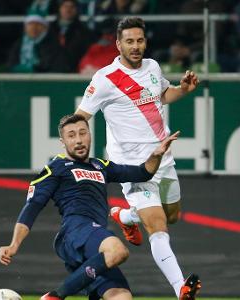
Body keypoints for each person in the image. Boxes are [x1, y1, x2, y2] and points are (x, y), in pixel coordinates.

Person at [75, 17, 201, 300]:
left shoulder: (153, 67)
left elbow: (162, 96)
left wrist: (183, 90)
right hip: (131, 168)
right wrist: (76, 150)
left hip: (163, 160)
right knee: (158, 225)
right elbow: (81, 116)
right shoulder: (105, 79)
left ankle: (125, 216)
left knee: (173, 216)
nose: (135, 46)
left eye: (140, 40)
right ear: (118, 44)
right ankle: (180, 287)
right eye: (129, 41)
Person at [0, 114, 181, 300]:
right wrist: (14, 244)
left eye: (82, 133)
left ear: (90, 135)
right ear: (63, 142)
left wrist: (156, 155)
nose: (78, 140)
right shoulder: (57, 167)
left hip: (93, 247)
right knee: (117, 251)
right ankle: (54, 296)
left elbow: (143, 173)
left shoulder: (100, 165)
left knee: (122, 296)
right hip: (74, 232)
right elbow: (33, 206)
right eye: (71, 135)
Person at [50, 0, 95, 72]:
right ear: (59, 9)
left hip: (74, 73)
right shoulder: (49, 29)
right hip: (49, 73)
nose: (68, 10)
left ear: (77, 10)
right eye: (65, 6)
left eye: (72, 7)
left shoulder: (84, 32)